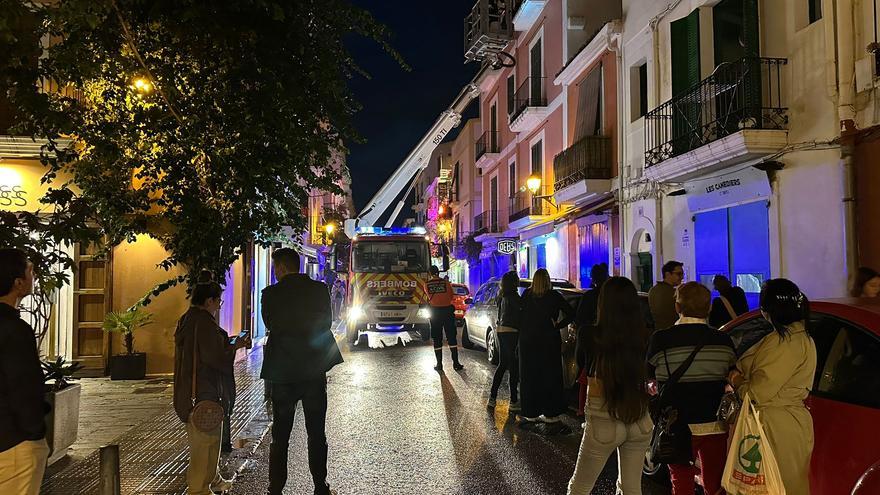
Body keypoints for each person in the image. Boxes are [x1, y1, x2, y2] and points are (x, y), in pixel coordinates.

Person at [261, 248, 343, 495]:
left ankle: (275, 488)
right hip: (313, 370)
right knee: (316, 432)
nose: (275, 273)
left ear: (282, 268)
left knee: (281, 436)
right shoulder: (319, 290)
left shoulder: (271, 294)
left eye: (276, 268)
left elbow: (270, 324)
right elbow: (326, 322)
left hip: (283, 373)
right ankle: (320, 485)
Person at [646, 282, 737, 495]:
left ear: (677, 307)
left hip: (677, 424)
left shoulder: (660, 340)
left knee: (681, 481)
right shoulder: (723, 340)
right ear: (709, 308)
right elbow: (731, 372)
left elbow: (649, 375)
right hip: (714, 423)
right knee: (714, 482)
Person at [728, 279, 817, 494]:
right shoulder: (800, 337)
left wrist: (735, 379)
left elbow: (757, 392)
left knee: (772, 487)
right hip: (787, 424)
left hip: (775, 427)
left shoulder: (784, 342)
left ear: (769, 309)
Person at [566, 277, 652, 495]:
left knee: (580, 487)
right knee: (631, 488)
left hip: (603, 417)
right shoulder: (646, 336)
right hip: (639, 416)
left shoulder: (589, 334)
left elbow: (581, 365)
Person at [173, 277, 248, 495]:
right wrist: (234, 347)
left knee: (207, 441)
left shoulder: (188, 319)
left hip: (191, 391)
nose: (219, 306)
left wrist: (231, 343)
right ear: (209, 301)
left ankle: (211, 480)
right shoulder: (203, 322)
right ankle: (198, 489)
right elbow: (214, 357)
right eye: (218, 301)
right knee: (204, 444)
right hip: (204, 392)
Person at [0, 249, 50, 495]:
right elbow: (23, 386)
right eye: (31, 272)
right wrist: (34, 433)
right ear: (18, 283)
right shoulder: (14, 329)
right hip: (13, 442)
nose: (34, 277)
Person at [518, 268, 575, 433]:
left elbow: (519, 315)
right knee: (550, 377)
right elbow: (571, 313)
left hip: (528, 341)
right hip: (548, 341)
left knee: (529, 376)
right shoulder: (554, 296)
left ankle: (531, 413)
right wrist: (558, 325)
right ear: (548, 280)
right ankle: (551, 414)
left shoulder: (527, 295)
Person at [574, 263, 609, 417]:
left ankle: (585, 410)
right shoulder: (611, 296)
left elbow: (579, 320)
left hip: (593, 346)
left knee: (587, 378)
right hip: (608, 346)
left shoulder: (589, 297)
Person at [488, 270, 521, 411]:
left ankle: (493, 398)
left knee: (503, 365)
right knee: (512, 366)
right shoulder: (513, 296)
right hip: (511, 331)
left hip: (501, 330)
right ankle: (513, 400)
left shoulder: (501, 296)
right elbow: (521, 311)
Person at [427, 265, 463, 372]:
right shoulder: (446, 283)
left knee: (437, 338)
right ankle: (456, 363)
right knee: (451, 337)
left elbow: (429, 297)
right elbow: (451, 296)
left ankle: (439, 365)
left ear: (429, 273)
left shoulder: (427, 284)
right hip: (447, 312)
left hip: (435, 313)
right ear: (438, 272)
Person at [648, 260, 685, 331]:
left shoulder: (653, 290)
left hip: (658, 331)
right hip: (673, 332)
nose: (682, 277)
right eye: (679, 274)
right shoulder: (674, 293)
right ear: (668, 274)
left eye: (682, 274)